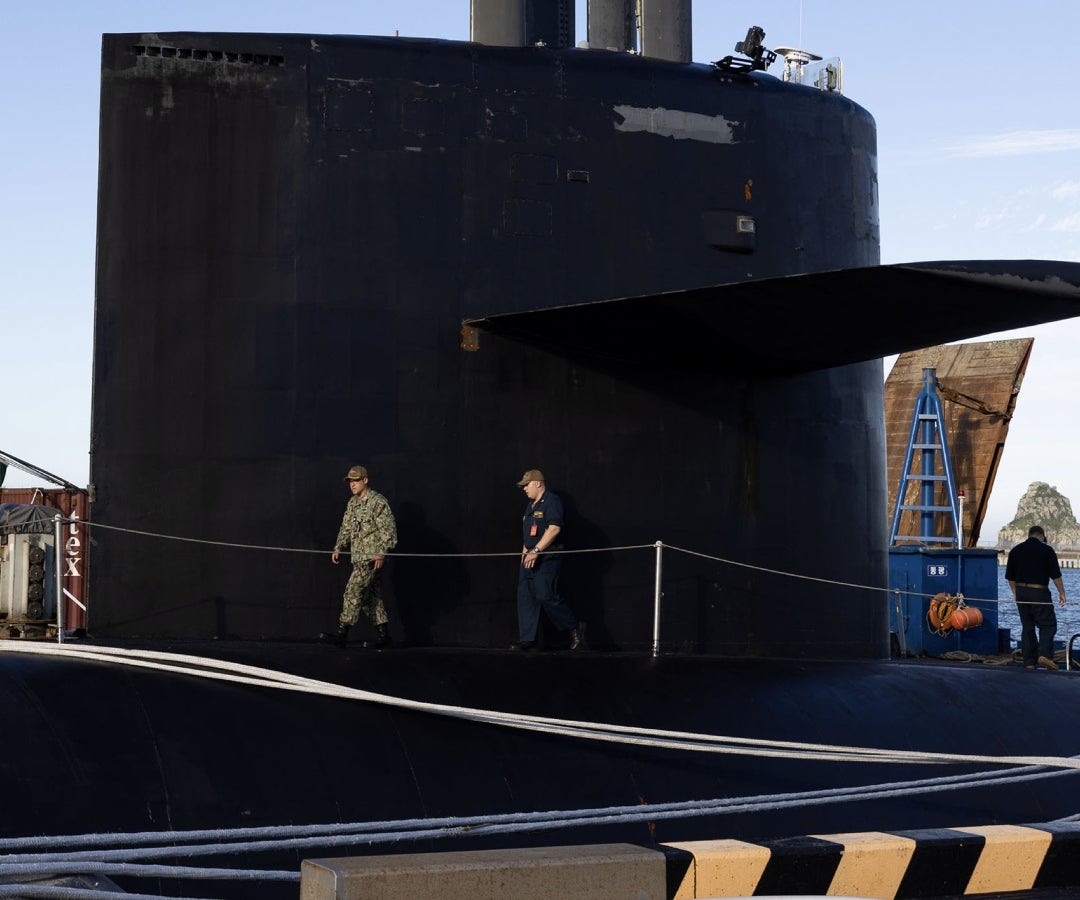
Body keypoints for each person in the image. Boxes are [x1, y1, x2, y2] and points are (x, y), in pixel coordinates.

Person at [320, 465, 398, 649]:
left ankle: (342, 634)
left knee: (353, 592)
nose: (352, 485)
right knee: (371, 598)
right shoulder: (353, 503)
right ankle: (384, 636)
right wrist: (338, 547)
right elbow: (346, 528)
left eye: (356, 481)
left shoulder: (377, 502)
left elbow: (389, 531)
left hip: (371, 559)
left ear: (365, 480)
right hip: (358, 557)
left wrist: (381, 553)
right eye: (350, 481)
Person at [511, 469, 586, 651]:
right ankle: (527, 640)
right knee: (525, 597)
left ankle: (574, 626)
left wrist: (536, 550)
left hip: (547, 557)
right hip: (529, 558)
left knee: (545, 595)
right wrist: (524, 557)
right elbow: (528, 536)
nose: (524, 489)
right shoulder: (530, 506)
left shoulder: (552, 501)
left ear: (538, 483)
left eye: (526, 485)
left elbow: (554, 529)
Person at [1005, 524, 1067, 670]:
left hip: (1021, 592)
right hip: (1039, 592)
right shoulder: (1047, 550)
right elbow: (1055, 575)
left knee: (1027, 626)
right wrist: (1062, 592)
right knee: (1048, 625)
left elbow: (1010, 577)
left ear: (1029, 535)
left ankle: (1029, 662)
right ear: (1041, 536)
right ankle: (1044, 655)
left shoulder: (1015, 550)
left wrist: (1015, 593)